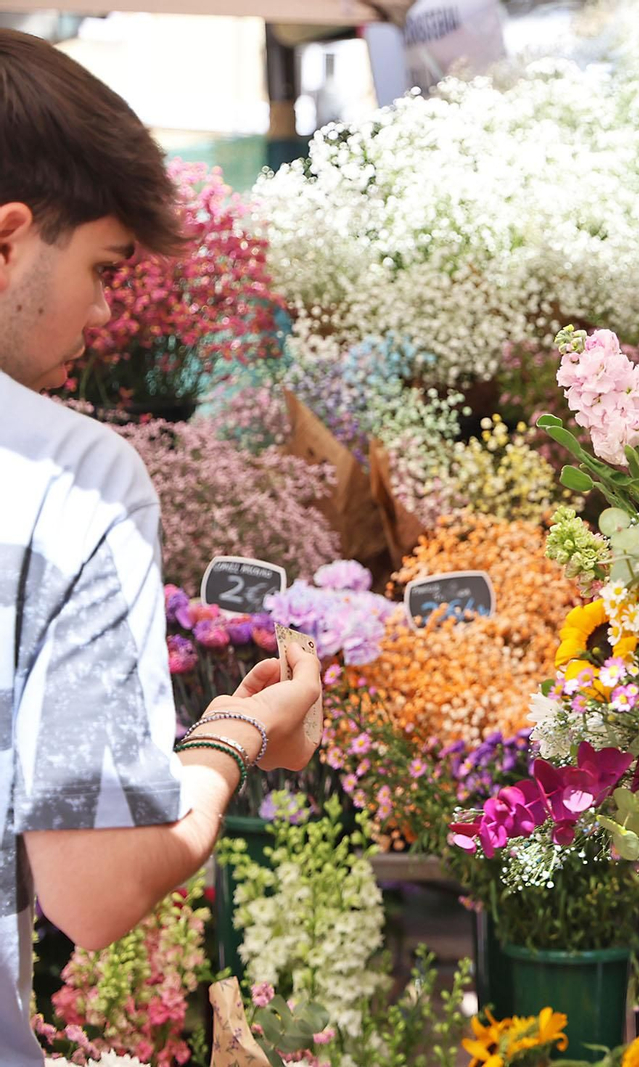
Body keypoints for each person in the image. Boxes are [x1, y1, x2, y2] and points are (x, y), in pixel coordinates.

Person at [0, 28, 323, 1063]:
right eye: (101, 268)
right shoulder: (69, 481)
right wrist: (235, 734)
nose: (100, 316)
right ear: (8, 238)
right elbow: (92, 889)